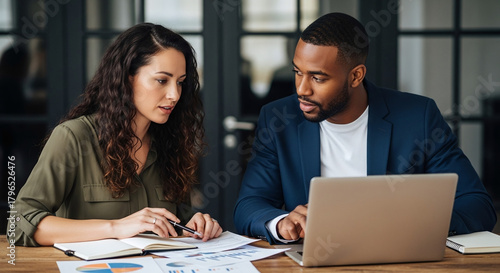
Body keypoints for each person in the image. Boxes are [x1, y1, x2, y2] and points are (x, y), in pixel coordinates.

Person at [233, 13, 497, 244]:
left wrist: (408, 221)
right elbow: (248, 206)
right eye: (297, 72)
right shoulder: (279, 119)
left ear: (356, 76)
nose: (302, 89)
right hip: (313, 260)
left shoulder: (418, 116)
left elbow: (478, 206)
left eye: (317, 77)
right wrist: (281, 223)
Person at [10, 23, 222, 247]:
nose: (174, 94)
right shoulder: (74, 137)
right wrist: (116, 227)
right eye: (162, 80)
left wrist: (194, 226)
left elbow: (175, 225)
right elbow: (18, 225)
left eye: (180, 83)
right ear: (127, 77)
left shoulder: (171, 144)